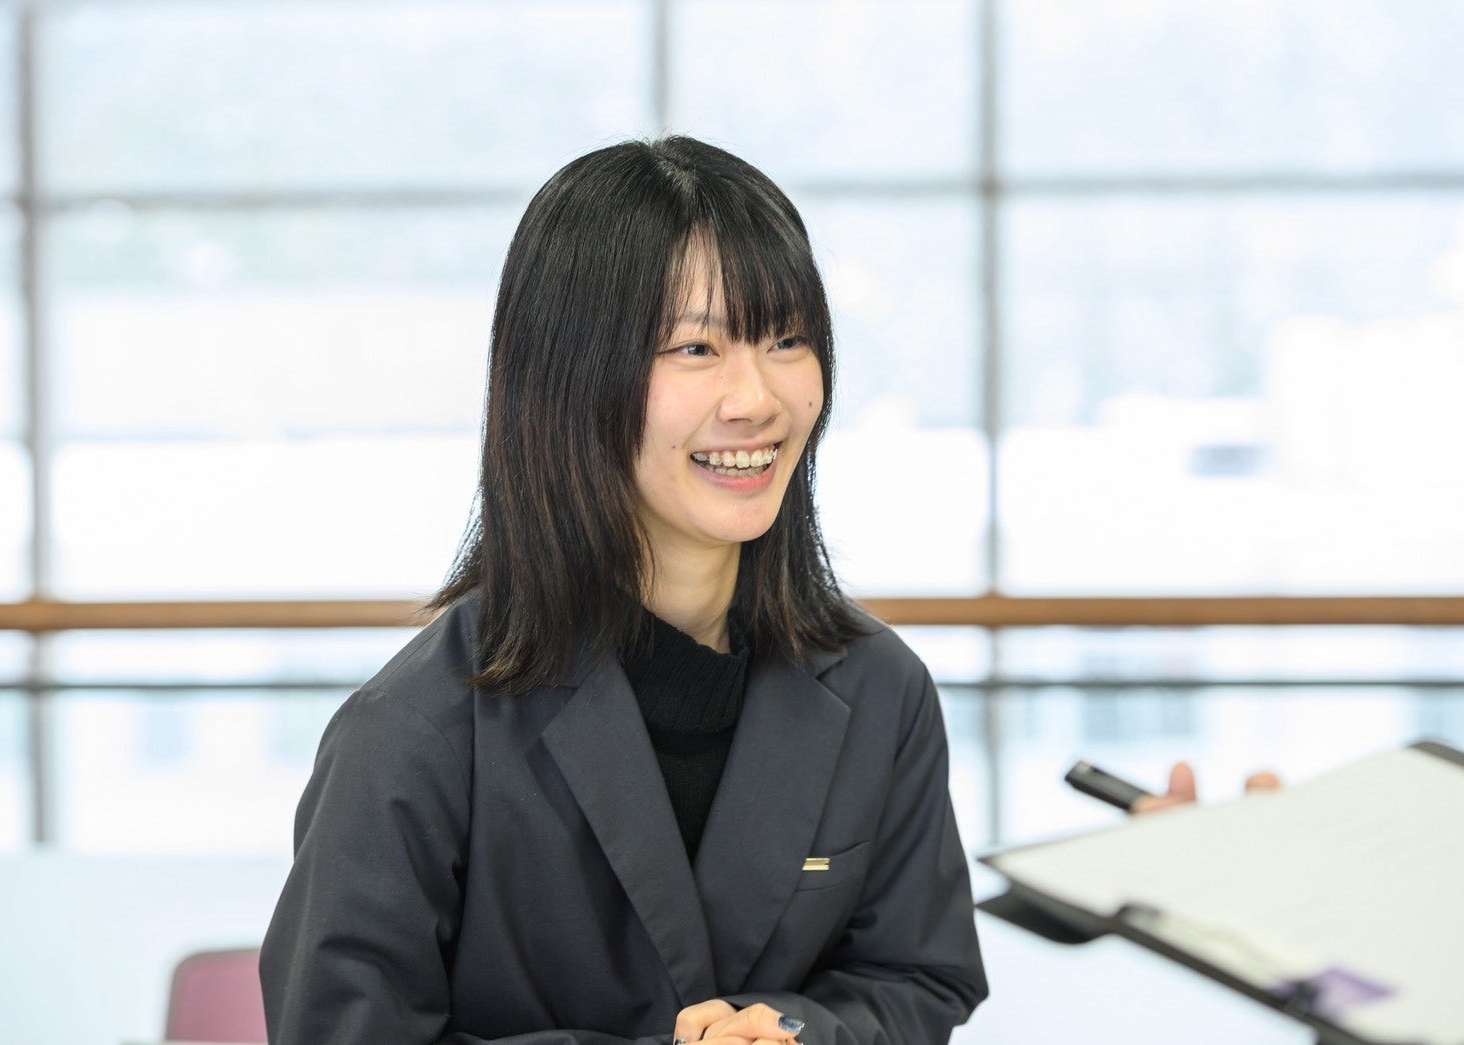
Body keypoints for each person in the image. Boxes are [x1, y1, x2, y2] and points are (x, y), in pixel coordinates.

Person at [259, 136, 989, 1043]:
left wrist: (801, 1032)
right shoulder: (415, 729)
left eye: (785, 339)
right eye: (695, 346)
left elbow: (916, 976)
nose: (756, 398)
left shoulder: (880, 687)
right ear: (568, 375)